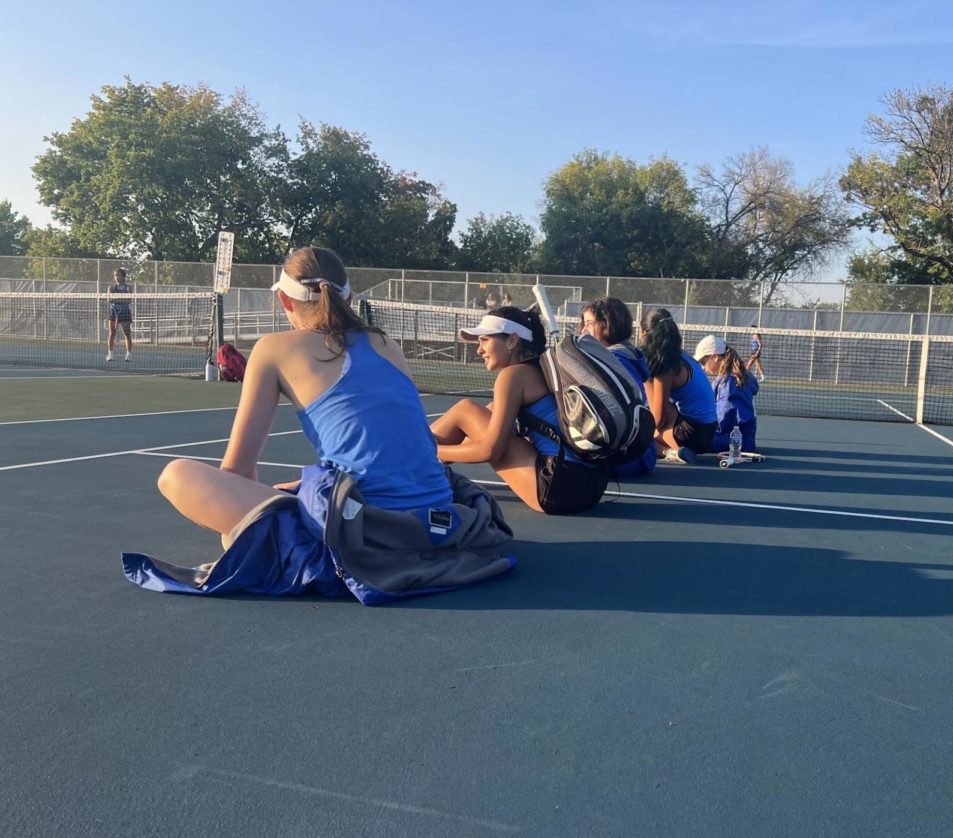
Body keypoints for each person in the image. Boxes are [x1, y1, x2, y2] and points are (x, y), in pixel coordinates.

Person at [123, 246, 513, 602]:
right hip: (439, 520)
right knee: (298, 490)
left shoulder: (273, 349)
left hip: (365, 534)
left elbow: (238, 470)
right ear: (349, 297)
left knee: (176, 476)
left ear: (283, 300)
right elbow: (395, 448)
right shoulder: (386, 344)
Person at [430, 306, 608, 514]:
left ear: (512, 341)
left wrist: (430, 451)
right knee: (482, 411)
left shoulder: (513, 376)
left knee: (465, 409)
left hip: (557, 489)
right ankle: (416, 465)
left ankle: (407, 461)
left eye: (485, 340)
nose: (479, 350)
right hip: (591, 487)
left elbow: (490, 451)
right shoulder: (545, 368)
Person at [578, 296, 656, 478]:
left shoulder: (615, 360)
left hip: (627, 458)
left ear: (607, 324)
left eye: (589, 323)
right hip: (642, 453)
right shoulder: (627, 354)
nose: (583, 330)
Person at [639, 308, 717, 464]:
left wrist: (645, 377)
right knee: (666, 408)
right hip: (708, 431)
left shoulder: (665, 366)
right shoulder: (681, 355)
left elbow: (658, 419)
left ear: (644, 333)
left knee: (638, 439)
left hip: (691, 434)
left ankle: (669, 451)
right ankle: (675, 450)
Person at [694, 335, 759, 453]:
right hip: (747, 438)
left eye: (703, 362)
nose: (702, 367)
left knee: (689, 437)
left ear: (714, 357)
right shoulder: (742, 375)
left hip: (732, 440)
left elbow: (724, 419)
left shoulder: (726, 383)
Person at [106, 268, 134, 362]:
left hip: (125, 312)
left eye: (119, 275)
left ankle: (128, 355)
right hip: (114, 311)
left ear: (123, 276)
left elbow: (129, 300)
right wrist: (121, 299)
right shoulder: (111, 287)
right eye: (115, 275)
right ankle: (110, 355)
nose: (117, 277)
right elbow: (109, 299)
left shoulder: (128, 288)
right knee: (111, 333)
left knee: (127, 334)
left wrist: (116, 299)